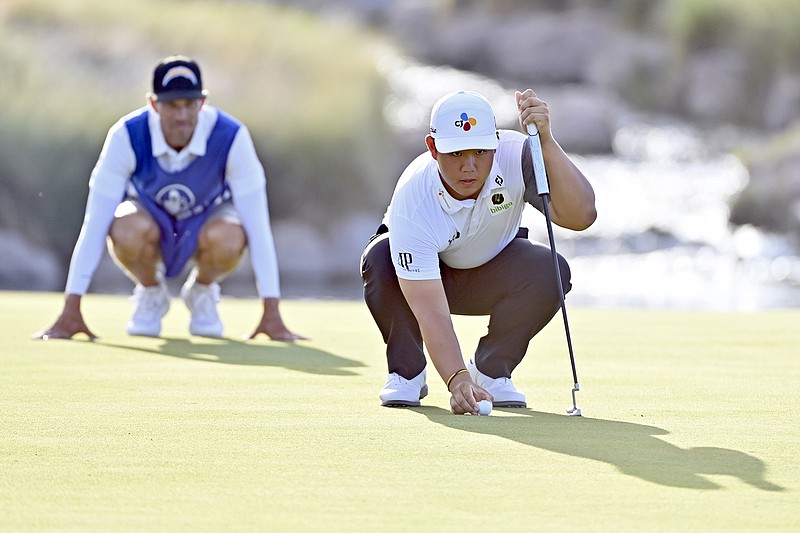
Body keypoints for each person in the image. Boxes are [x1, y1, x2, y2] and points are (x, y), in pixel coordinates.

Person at [34, 55, 304, 341]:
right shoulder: (126, 135)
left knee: (231, 237)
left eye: (189, 104)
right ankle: (151, 292)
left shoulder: (232, 136)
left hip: (207, 223)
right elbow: (94, 224)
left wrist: (271, 311)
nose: (182, 115)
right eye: (172, 105)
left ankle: (201, 291)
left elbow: (258, 227)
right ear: (153, 104)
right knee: (123, 226)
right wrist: (71, 308)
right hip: (148, 221)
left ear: (202, 103)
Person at [360, 89, 596, 415]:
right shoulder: (413, 197)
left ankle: (490, 370)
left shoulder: (518, 155)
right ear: (433, 148)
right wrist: (456, 380)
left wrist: (546, 143)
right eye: (456, 154)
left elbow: (582, 215)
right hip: (425, 281)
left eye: (481, 151)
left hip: (491, 271)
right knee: (380, 259)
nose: (469, 166)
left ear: (496, 143)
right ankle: (407, 371)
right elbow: (431, 311)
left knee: (550, 269)